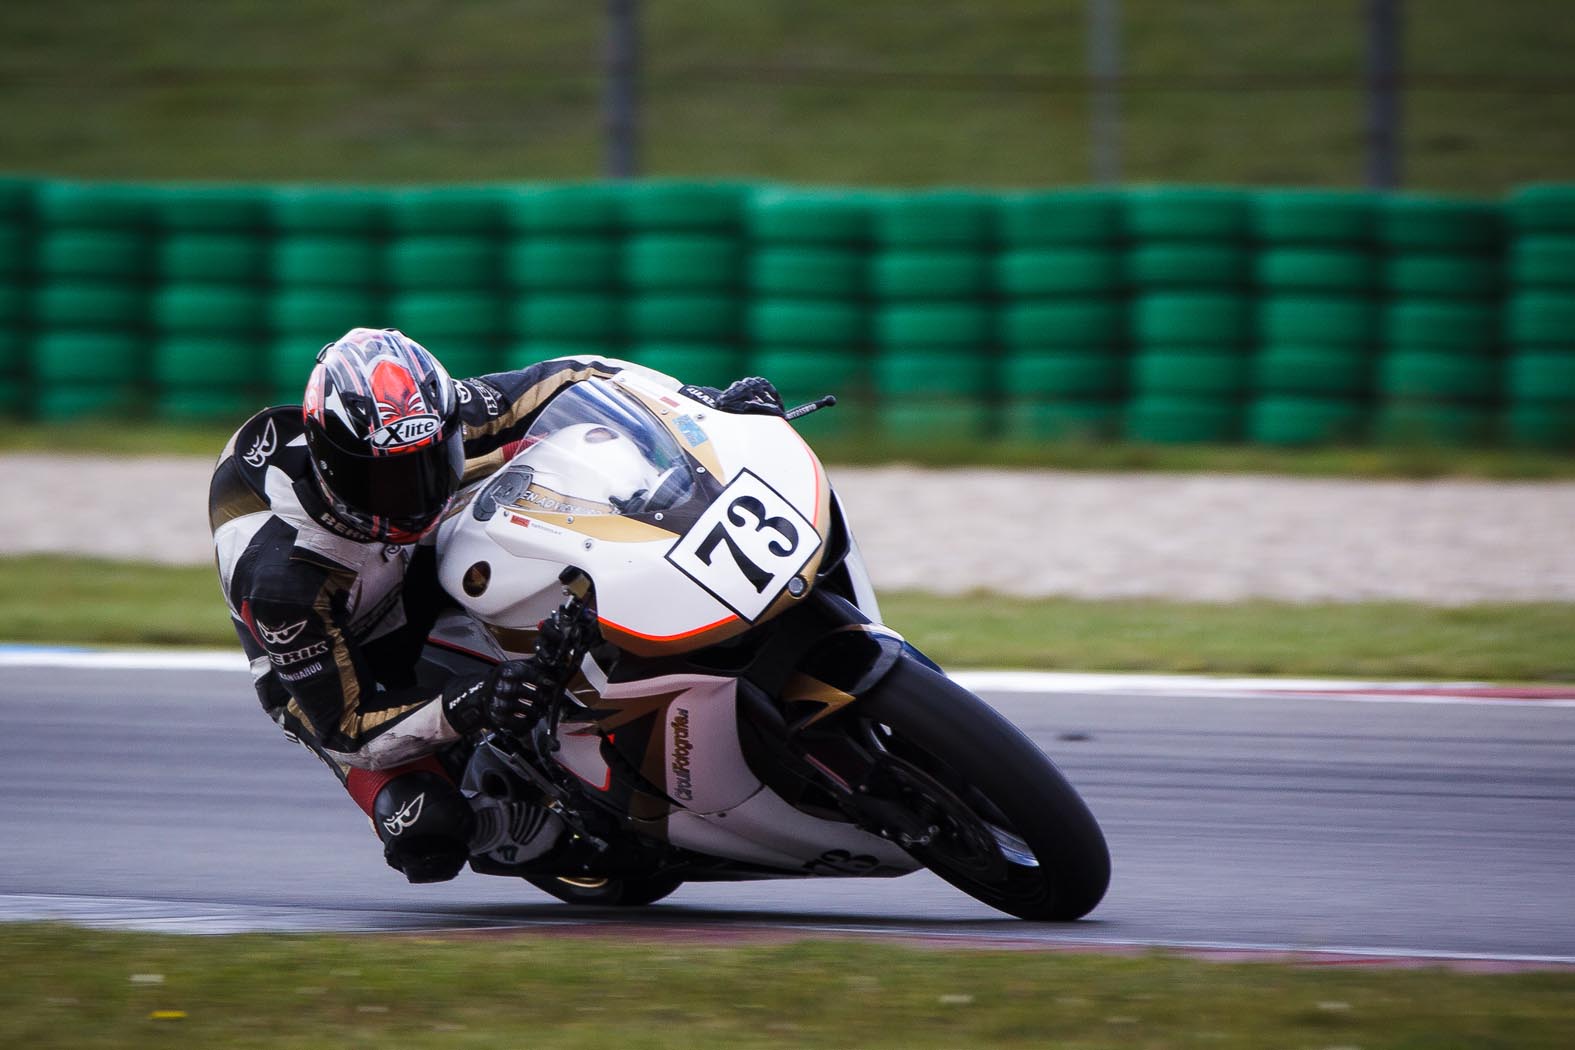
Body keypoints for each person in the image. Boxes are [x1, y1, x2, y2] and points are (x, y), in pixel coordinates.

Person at [208, 327, 784, 883]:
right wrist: (471, 704)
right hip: (347, 648)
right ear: (335, 469)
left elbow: (574, 378)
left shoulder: (412, 423)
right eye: (392, 482)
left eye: (431, 462)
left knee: (575, 461)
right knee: (428, 832)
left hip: (411, 556)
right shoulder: (282, 581)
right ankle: (519, 824)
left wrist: (701, 409)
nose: (418, 491)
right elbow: (349, 726)